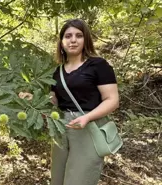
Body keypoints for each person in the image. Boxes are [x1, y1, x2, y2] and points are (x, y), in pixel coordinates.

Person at [49, 19, 120, 185]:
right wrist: (32, 101)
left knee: (79, 180)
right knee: (57, 179)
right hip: (61, 128)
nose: (73, 40)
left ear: (85, 39)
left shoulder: (98, 65)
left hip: (88, 126)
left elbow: (112, 100)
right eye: (68, 36)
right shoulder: (56, 71)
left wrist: (87, 118)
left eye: (78, 35)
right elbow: (53, 101)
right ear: (61, 42)